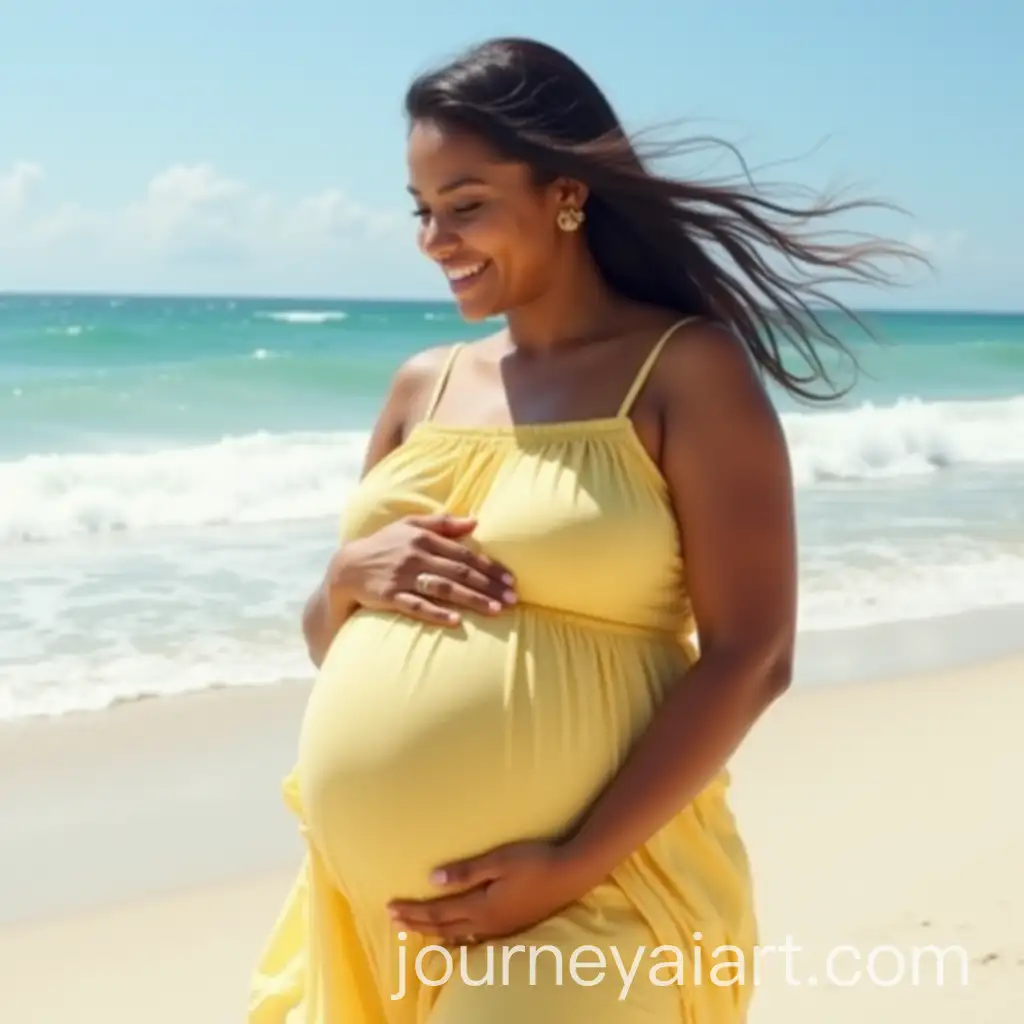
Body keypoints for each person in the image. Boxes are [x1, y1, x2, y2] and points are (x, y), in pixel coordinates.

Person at [248, 36, 920, 1024]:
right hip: (370, 922)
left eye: (466, 204)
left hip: (598, 898)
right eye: (423, 210)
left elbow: (753, 652)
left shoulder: (685, 370)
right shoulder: (420, 385)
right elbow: (333, 646)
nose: (435, 238)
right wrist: (345, 574)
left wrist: (569, 863)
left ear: (566, 193)